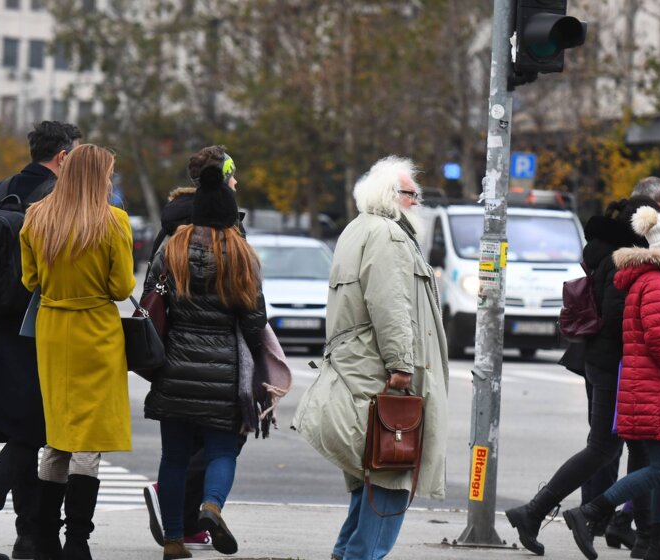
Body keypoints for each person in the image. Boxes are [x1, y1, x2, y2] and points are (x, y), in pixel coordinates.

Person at [292, 156, 449, 560]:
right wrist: (401, 365)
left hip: (357, 369)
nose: (419, 202)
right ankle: (360, 556)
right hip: (382, 374)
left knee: (372, 472)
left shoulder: (356, 230)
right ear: (392, 196)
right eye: (413, 195)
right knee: (391, 475)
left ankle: (345, 552)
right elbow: (390, 305)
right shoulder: (389, 236)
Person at [0, 120, 82, 560]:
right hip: (39, 327)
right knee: (37, 427)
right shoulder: (58, 199)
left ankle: (28, 538)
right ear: (62, 157)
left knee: (24, 427)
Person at [507, 196, 660, 556]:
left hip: (601, 361)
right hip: (610, 364)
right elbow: (616, 318)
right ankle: (538, 512)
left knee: (629, 447)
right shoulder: (621, 257)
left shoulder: (609, 250)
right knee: (604, 447)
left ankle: (643, 534)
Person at [143, 162, 268, 560]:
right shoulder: (241, 254)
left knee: (174, 457)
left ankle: (174, 540)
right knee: (221, 451)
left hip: (174, 367)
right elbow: (254, 320)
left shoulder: (172, 247)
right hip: (223, 374)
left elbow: (151, 297)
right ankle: (211, 506)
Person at [19, 143, 137, 560]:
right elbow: (122, 287)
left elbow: (30, 279)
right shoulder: (113, 221)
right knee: (88, 441)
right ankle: (78, 541)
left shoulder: (36, 216)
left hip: (53, 329)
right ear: (98, 176)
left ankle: (45, 538)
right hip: (96, 331)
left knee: (57, 436)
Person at [563, 206, 660, 560]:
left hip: (657, 387)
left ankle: (657, 540)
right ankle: (590, 513)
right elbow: (657, 338)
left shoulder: (656, 281)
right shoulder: (654, 282)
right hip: (655, 388)